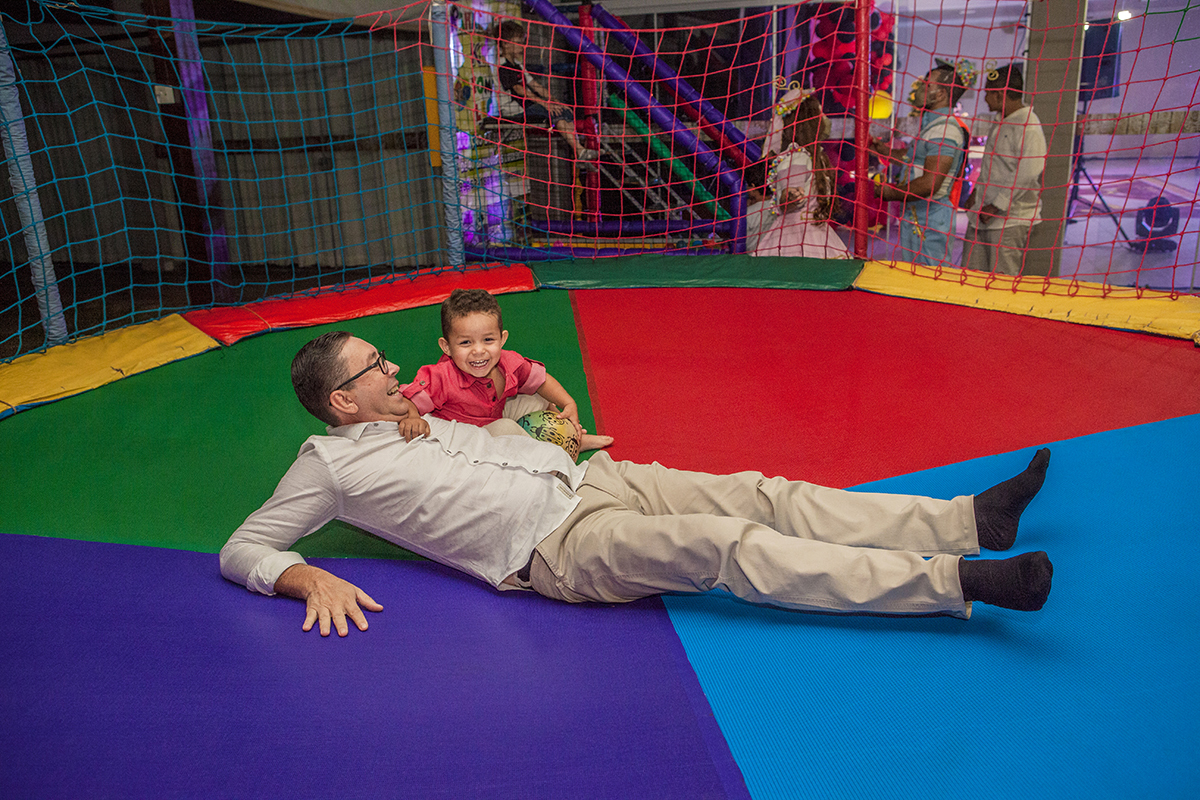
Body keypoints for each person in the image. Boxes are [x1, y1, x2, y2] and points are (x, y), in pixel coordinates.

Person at [220, 330, 1055, 636]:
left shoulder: (412, 414)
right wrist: (304, 577)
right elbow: (244, 547)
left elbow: (483, 436)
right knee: (730, 545)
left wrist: (540, 431)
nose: (393, 367)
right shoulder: (327, 464)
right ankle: (953, 583)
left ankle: (966, 521)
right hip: (558, 546)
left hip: (593, 477)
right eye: (374, 365)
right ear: (342, 400)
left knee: (763, 492)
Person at [401, 288, 613, 452]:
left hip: (493, 416)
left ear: (502, 339)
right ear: (447, 347)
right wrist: (412, 417)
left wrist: (568, 403)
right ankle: (548, 460)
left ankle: (571, 439)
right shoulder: (442, 376)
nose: (478, 351)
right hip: (465, 441)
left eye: (488, 340)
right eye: (465, 342)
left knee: (538, 399)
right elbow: (408, 399)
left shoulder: (509, 363)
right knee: (506, 429)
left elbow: (541, 381)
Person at [872, 58, 976, 265]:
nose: (919, 88)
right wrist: (883, 151)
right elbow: (915, 159)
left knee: (929, 278)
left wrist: (890, 193)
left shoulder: (944, 130)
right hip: (917, 216)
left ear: (940, 94)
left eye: (926, 85)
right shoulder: (933, 126)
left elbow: (930, 183)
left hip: (931, 220)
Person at [962, 64, 1048, 276]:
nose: (985, 99)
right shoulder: (1001, 119)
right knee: (971, 278)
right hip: (982, 216)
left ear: (1000, 95)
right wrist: (976, 193)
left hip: (1010, 221)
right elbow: (993, 166)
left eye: (988, 93)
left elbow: (1028, 172)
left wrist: (996, 206)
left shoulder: (1029, 125)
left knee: (1001, 283)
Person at [752, 95, 849, 259]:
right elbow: (789, 194)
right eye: (819, 114)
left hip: (813, 232)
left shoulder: (813, 156)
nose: (824, 119)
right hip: (797, 238)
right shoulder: (797, 157)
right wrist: (790, 196)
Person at [495, 19, 597, 163]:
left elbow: (535, 85)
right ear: (505, 43)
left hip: (527, 106)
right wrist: (545, 104)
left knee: (564, 110)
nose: (522, 47)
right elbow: (520, 90)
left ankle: (579, 151)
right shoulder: (502, 66)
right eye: (518, 43)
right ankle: (579, 151)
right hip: (514, 110)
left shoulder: (517, 65)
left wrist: (555, 101)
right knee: (555, 112)